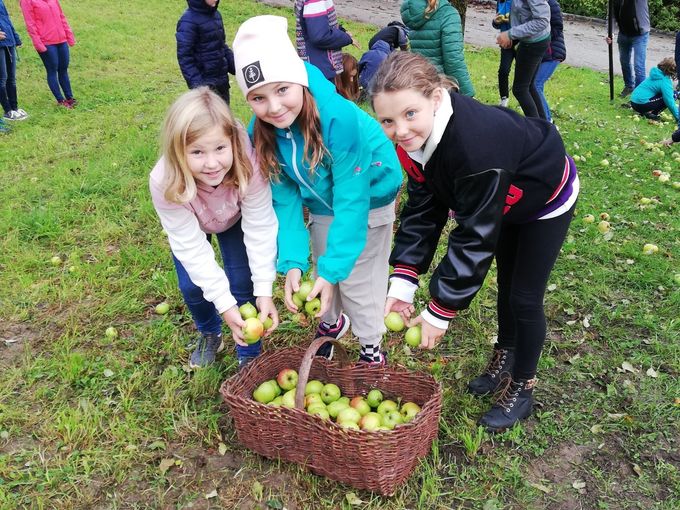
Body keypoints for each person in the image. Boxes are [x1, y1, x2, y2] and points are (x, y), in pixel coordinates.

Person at [369, 52, 579, 432]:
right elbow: (423, 208)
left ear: (435, 98)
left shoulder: (475, 146)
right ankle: (505, 355)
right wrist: (403, 280)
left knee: (524, 297)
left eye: (409, 114)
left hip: (544, 197)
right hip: (501, 201)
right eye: (387, 120)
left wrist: (440, 310)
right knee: (506, 288)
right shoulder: (414, 142)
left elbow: (474, 235)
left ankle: (523, 386)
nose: (399, 130)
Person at [233, 15, 403, 365]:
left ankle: (371, 345)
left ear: (299, 80)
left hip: (368, 192)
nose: (274, 107)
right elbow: (285, 198)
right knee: (322, 263)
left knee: (356, 278)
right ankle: (331, 323)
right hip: (321, 195)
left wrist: (332, 269)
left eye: (282, 90)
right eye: (258, 98)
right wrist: (292, 263)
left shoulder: (338, 119)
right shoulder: (261, 132)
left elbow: (353, 203)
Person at [149, 87, 279, 369]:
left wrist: (264, 289)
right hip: (193, 220)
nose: (211, 163)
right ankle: (210, 332)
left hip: (234, 218)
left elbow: (260, 225)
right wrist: (224, 305)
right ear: (177, 151)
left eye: (220, 148)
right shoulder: (165, 181)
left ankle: (249, 350)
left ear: (233, 143)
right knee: (192, 286)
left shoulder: (249, 164)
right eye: (196, 151)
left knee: (243, 282)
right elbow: (190, 247)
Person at [401, 0, 475, 97]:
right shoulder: (448, 14)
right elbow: (453, 59)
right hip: (442, 88)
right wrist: (467, 93)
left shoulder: (413, 10)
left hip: (418, 83)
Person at [497, 0, 551, 119]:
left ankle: (537, 132)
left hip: (534, 43)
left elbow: (542, 21)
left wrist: (511, 34)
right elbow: (522, 14)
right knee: (529, 86)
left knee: (520, 89)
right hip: (530, 40)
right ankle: (545, 126)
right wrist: (513, 36)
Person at [19, 0, 76, 108]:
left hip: (61, 40)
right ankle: (60, 100)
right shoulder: (27, 1)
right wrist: (38, 43)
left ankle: (70, 98)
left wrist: (69, 35)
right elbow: (30, 24)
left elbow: (61, 17)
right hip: (47, 43)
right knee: (52, 70)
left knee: (63, 69)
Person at [176, 0, 234, 105]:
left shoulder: (216, 15)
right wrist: (198, 86)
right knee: (209, 118)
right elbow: (185, 57)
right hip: (205, 85)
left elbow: (221, 46)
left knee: (225, 115)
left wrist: (237, 66)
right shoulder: (188, 21)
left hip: (222, 80)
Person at [294, 0, 359, 83]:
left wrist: (342, 31)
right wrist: (346, 38)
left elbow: (319, 25)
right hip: (320, 70)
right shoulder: (315, 2)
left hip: (316, 66)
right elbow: (320, 36)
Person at [607, 0, 649, 97]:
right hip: (623, 33)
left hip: (640, 34)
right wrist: (610, 33)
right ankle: (629, 86)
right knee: (624, 61)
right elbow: (611, 16)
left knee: (639, 66)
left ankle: (639, 95)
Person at [534, 0, 566, 123]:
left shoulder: (552, 4)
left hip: (552, 53)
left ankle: (547, 121)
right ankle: (538, 118)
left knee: (536, 84)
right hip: (540, 53)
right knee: (532, 85)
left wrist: (541, 36)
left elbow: (557, 27)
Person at [0, 0, 27, 121]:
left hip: (9, 41)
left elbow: (7, 19)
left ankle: (15, 108)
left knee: (11, 78)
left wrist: (15, 37)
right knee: (2, 78)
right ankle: (7, 110)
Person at [629, 58, 678, 123]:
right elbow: (669, 101)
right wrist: (678, 117)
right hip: (641, 104)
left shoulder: (656, 73)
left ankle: (646, 112)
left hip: (633, 102)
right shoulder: (665, 81)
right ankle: (652, 113)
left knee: (668, 93)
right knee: (674, 94)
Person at [493, 0, 515, 107]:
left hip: (519, 39)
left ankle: (524, 99)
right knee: (503, 70)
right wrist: (496, 21)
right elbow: (496, 23)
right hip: (505, 41)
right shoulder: (500, 2)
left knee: (522, 73)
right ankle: (504, 99)